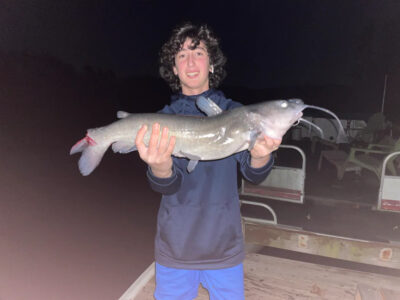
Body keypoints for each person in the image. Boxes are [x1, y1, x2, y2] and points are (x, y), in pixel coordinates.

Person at [135, 22, 281, 300]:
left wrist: (261, 156)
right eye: (181, 55)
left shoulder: (235, 113)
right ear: (174, 69)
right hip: (175, 247)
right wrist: (159, 166)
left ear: (211, 63)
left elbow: (254, 173)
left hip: (224, 248)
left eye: (198, 53)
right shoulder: (165, 119)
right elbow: (166, 184)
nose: (191, 61)